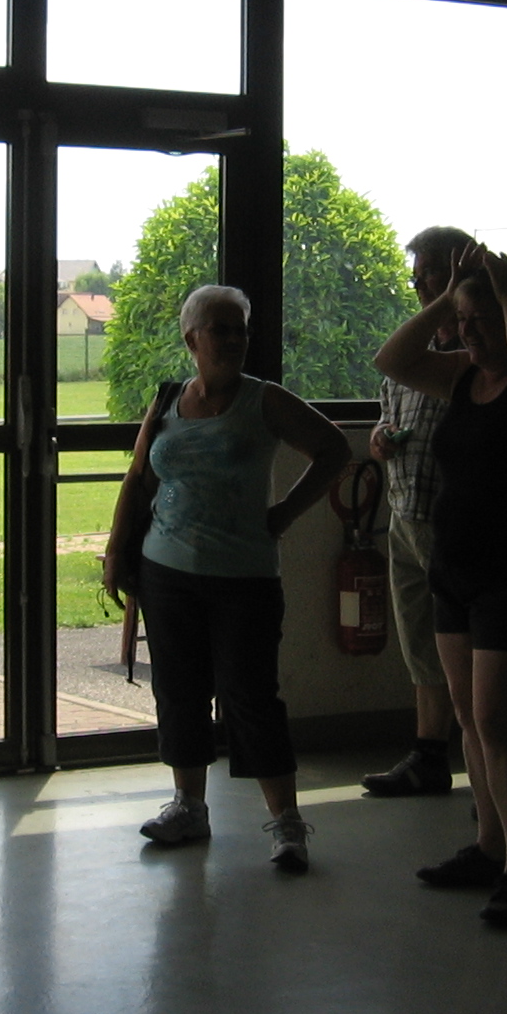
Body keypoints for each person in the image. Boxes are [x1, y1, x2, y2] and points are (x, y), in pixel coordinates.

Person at [104, 285, 350, 873]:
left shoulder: (265, 400)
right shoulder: (167, 399)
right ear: (192, 338)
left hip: (244, 579)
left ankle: (286, 822)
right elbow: (138, 478)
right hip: (167, 573)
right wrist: (116, 551)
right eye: (222, 329)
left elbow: (334, 450)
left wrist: (284, 514)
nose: (235, 339)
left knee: (251, 697)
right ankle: (189, 807)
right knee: (179, 692)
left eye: (241, 328)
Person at [376, 245, 507, 929]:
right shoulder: (464, 379)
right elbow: (393, 359)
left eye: (479, 320)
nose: (466, 333)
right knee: (468, 717)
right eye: (461, 322)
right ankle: (489, 847)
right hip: (455, 570)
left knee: (499, 721)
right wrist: (450, 297)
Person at [360, 225, 473, 798]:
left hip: (453, 523)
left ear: (456, 271)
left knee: (466, 648)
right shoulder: (413, 354)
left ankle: (487, 772)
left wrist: (457, 299)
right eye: (417, 275)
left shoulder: (480, 352)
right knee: (422, 647)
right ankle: (429, 757)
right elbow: (388, 410)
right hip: (404, 515)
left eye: (428, 272)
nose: (418, 284)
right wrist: (380, 438)